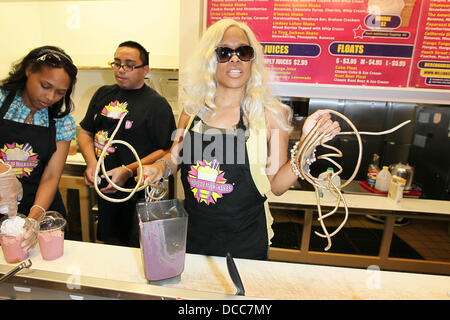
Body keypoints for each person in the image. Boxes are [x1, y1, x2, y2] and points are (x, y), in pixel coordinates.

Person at [141, 19, 340, 260]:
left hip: (245, 241)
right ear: (210, 60)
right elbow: (174, 159)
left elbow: (277, 185)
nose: (235, 59)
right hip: (193, 237)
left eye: (243, 52)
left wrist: (308, 145)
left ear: (252, 59)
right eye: (224, 52)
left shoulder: (270, 115)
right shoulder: (192, 110)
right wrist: (158, 168)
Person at [78, 41, 176, 247]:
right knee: (111, 243)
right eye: (117, 63)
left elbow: (166, 149)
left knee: (138, 245)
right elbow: (86, 132)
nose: (121, 70)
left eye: (130, 65)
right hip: (106, 188)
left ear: (146, 70)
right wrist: (91, 163)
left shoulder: (156, 105)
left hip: (138, 192)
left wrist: (128, 171)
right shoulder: (102, 94)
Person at [0, 46, 78, 253]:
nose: (50, 97)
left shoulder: (62, 122)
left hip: (41, 207)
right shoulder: (1, 100)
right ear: (28, 70)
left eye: (59, 93)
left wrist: (34, 219)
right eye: (45, 86)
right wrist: (3, 173)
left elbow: (51, 176)